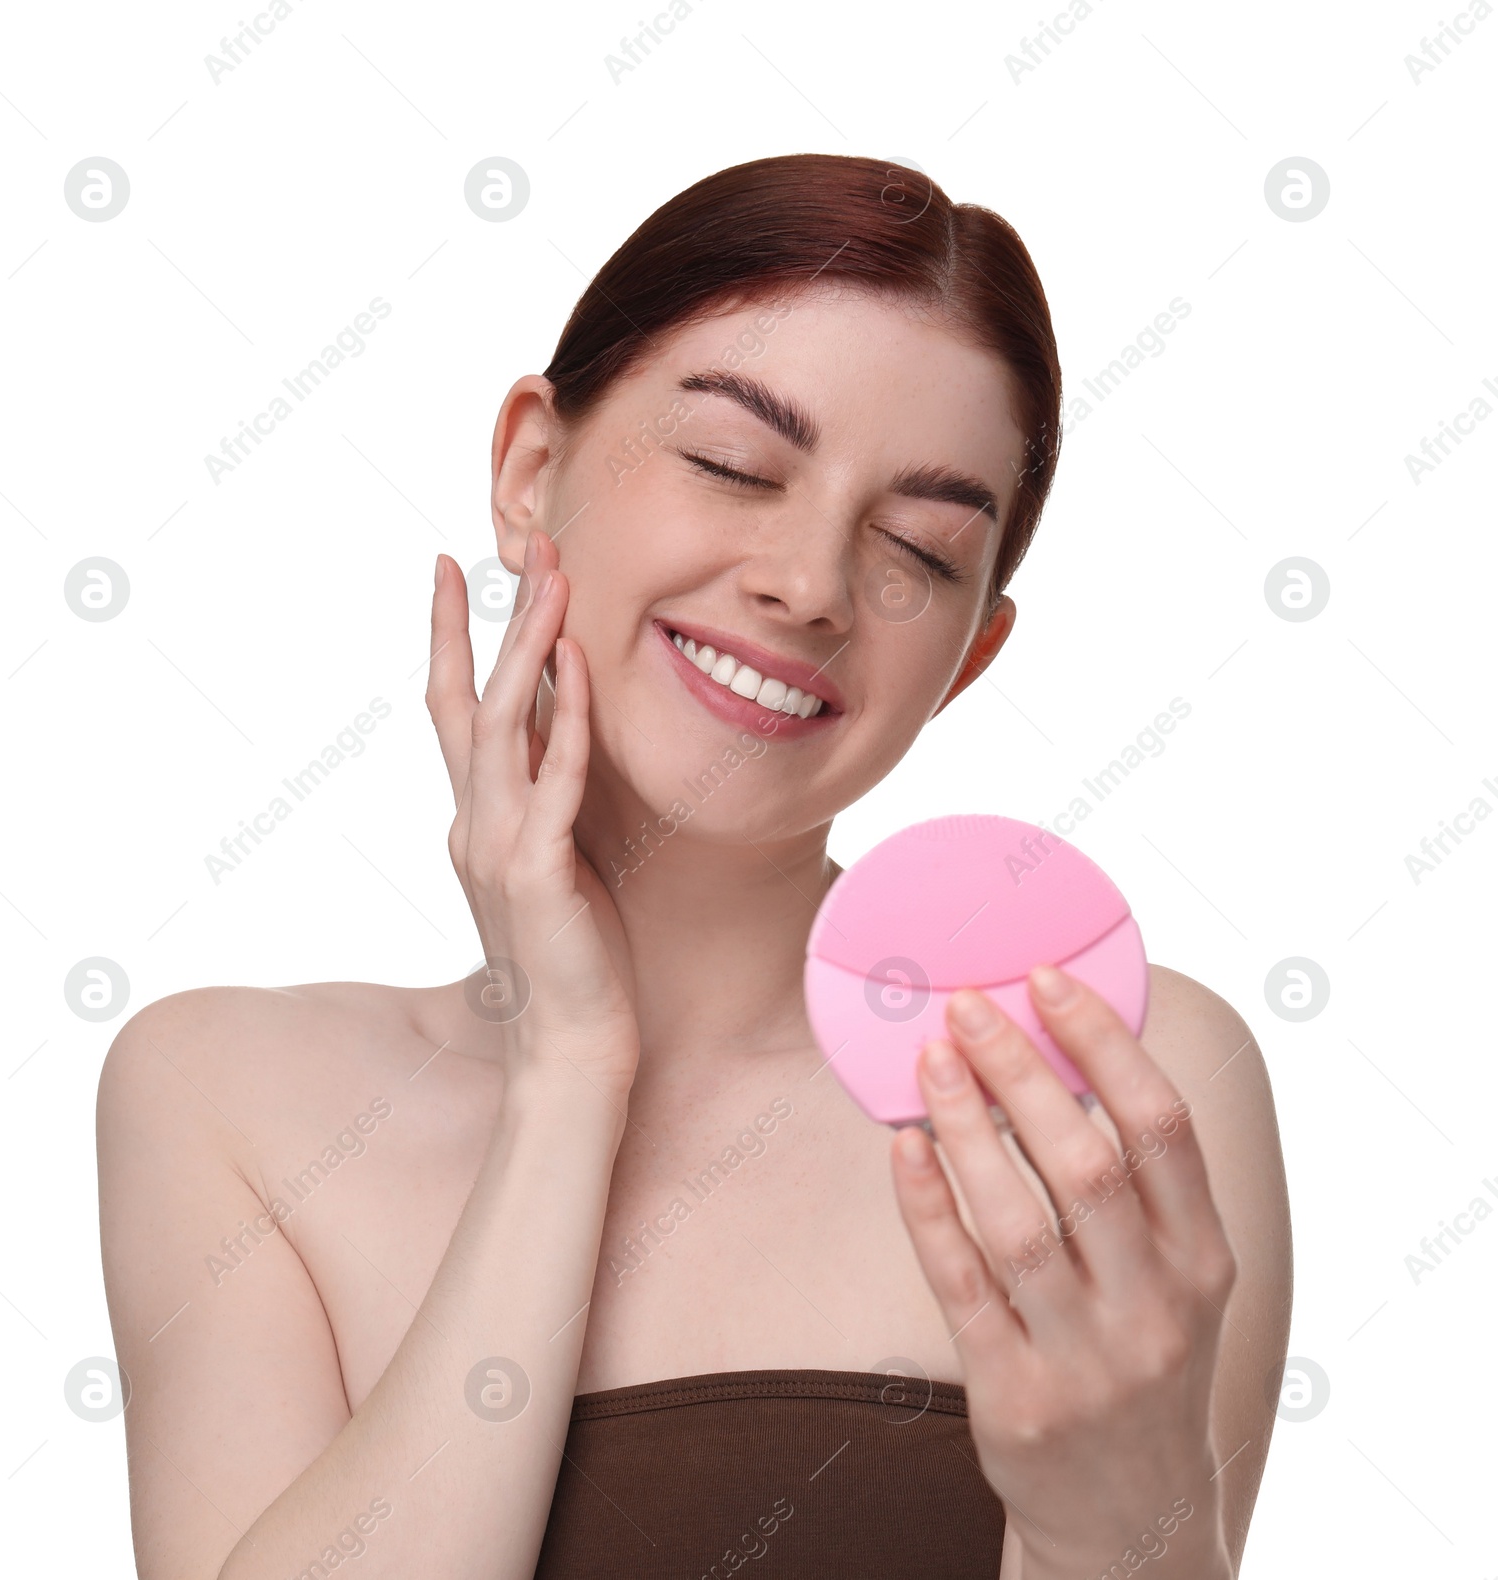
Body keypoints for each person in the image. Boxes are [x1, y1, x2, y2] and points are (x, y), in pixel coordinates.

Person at [97, 153, 1292, 1580]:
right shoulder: (228, 1096)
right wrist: (568, 1076)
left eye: (917, 546)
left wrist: (1121, 1520)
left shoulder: (1106, 1092)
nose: (809, 583)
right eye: (733, 464)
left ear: (968, 658)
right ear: (532, 472)